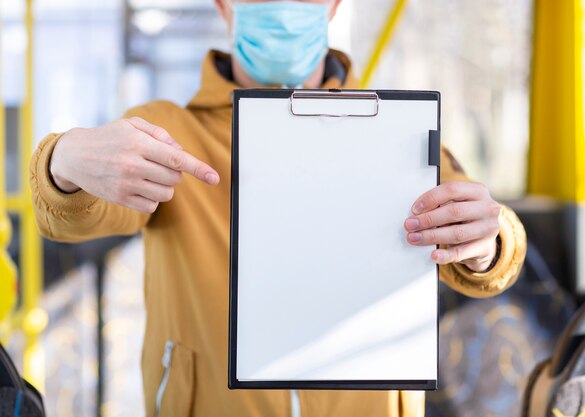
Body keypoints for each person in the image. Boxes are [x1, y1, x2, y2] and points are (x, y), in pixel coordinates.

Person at [30, 0, 527, 416]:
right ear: (225, 6)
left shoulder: (400, 130)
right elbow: (80, 212)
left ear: (333, 6)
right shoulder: (168, 132)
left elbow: (486, 240)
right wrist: (64, 160)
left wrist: (488, 243)